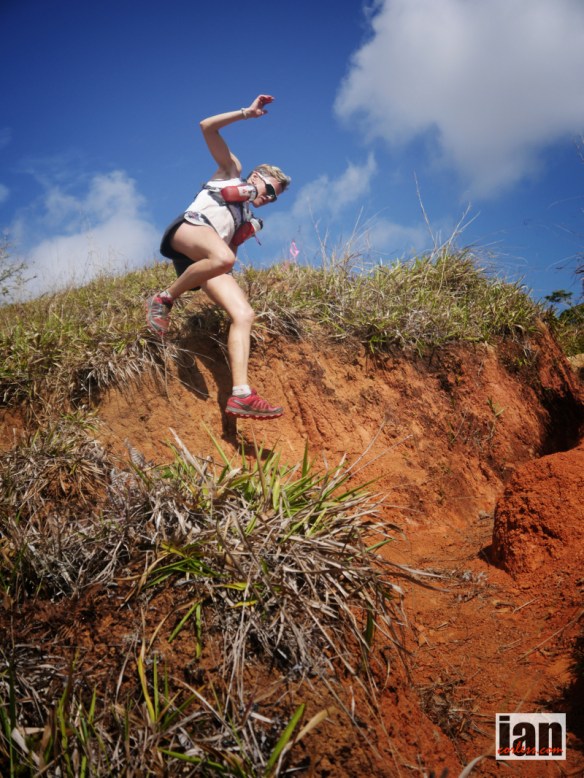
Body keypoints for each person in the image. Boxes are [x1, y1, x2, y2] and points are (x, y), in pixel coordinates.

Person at [146, 94, 291, 420]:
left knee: (244, 313)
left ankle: (241, 394)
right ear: (256, 176)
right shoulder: (231, 171)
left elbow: (227, 259)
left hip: (208, 257)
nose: (268, 198)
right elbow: (207, 127)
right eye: (268, 189)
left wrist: (240, 236)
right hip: (189, 230)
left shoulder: (245, 217)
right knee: (224, 258)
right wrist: (247, 113)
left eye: (274, 198)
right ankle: (164, 298)